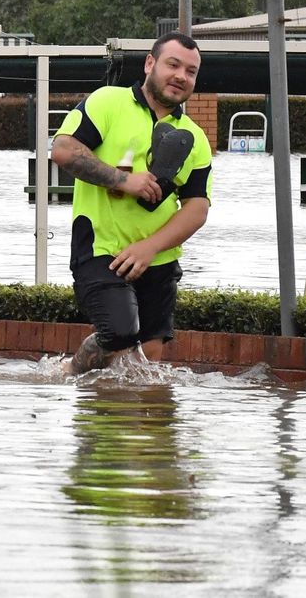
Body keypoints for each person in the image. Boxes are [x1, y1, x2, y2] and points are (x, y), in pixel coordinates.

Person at [50, 31, 212, 375]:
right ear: (150, 63)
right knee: (120, 332)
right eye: (173, 65)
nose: (181, 76)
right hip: (101, 247)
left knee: (150, 352)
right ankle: (69, 373)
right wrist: (125, 180)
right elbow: (63, 150)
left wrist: (150, 248)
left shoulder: (196, 138)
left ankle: (123, 417)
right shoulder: (108, 102)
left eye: (191, 71)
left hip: (158, 258)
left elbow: (197, 208)